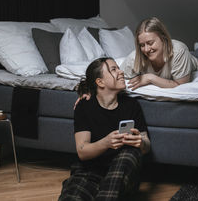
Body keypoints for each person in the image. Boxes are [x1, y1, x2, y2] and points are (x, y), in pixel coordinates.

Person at [59, 57, 151, 201]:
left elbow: (146, 146)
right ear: (100, 82)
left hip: (121, 172)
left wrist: (140, 142)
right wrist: (106, 143)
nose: (121, 72)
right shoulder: (84, 106)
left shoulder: (131, 105)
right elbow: (82, 152)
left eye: (118, 68)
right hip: (89, 171)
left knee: (130, 153)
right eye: (113, 69)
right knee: (72, 196)